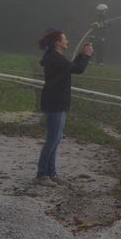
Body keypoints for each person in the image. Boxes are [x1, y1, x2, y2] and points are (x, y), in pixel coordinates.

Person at [36, 30, 93, 186]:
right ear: (57, 43)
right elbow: (78, 69)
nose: (67, 41)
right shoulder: (54, 57)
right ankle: (42, 175)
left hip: (59, 102)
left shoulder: (56, 57)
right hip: (55, 102)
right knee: (52, 139)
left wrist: (82, 55)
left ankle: (51, 173)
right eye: (65, 39)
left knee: (56, 138)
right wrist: (87, 55)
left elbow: (71, 67)